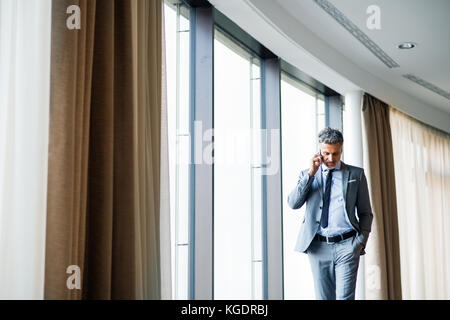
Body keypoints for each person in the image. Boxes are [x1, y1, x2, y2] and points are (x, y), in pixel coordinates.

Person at [287, 127, 373, 300]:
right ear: (319, 150)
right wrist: (311, 172)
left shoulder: (356, 174)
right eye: (326, 153)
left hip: (347, 245)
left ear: (341, 149)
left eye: (335, 153)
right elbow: (293, 203)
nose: (330, 158)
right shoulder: (307, 174)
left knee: (345, 298)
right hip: (318, 246)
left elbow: (365, 212)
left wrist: (360, 241)